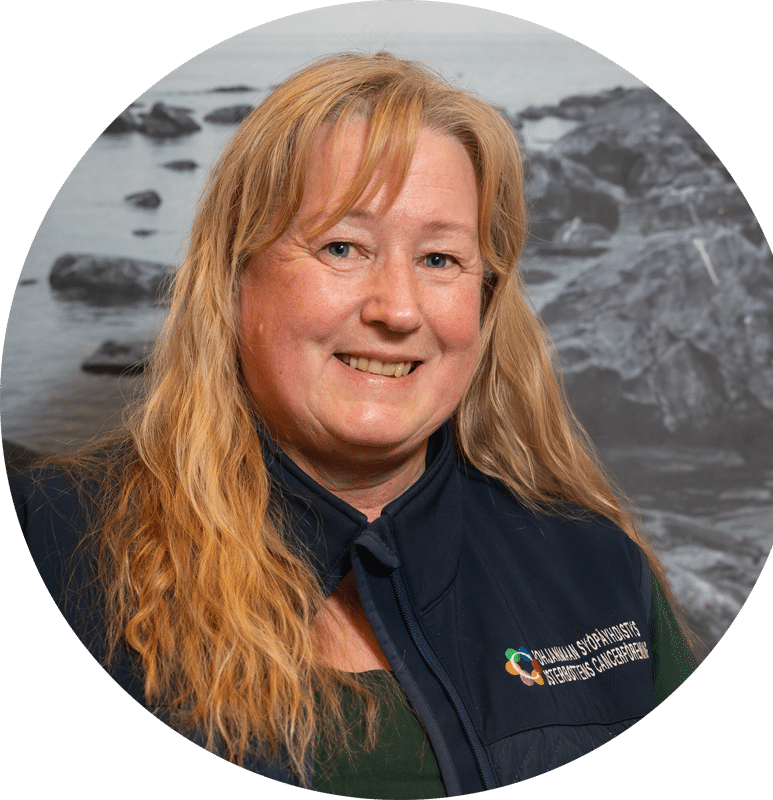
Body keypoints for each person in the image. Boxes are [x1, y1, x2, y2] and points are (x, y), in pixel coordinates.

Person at [10, 51, 696, 797]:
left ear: (486, 301)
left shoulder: (599, 569)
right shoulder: (48, 545)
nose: (397, 310)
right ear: (234, 280)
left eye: (441, 259)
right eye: (343, 247)